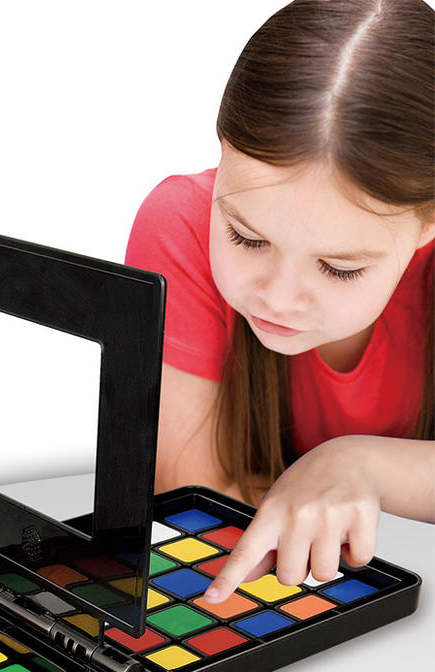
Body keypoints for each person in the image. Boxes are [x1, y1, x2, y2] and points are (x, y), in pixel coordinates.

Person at [124, 0, 434, 603]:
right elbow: (195, 510)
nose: (279, 298)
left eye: (340, 268)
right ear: (221, 149)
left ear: (428, 225)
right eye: (246, 237)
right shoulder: (181, 224)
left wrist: (357, 464)